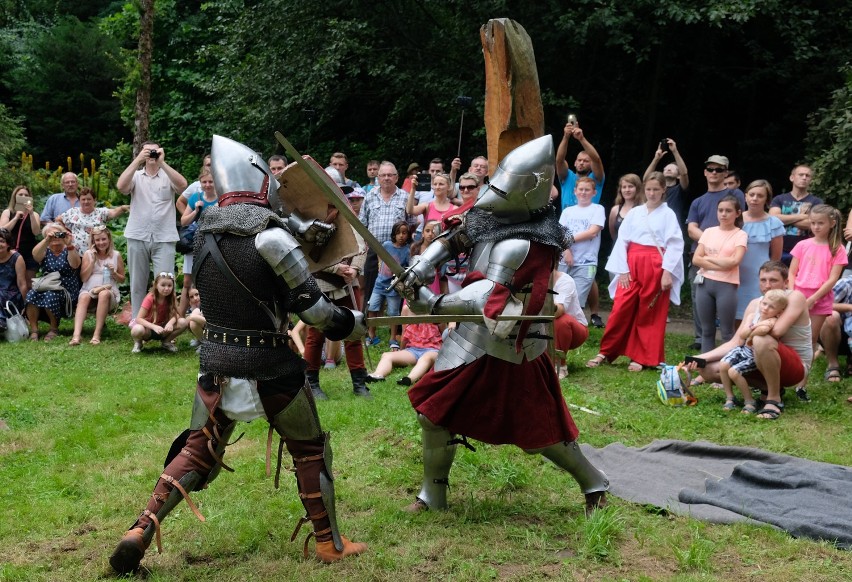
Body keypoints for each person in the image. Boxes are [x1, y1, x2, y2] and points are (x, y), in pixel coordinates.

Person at [108, 135, 368, 574]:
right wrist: (354, 322)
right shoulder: (270, 237)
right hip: (271, 363)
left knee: (195, 452)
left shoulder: (206, 231)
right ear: (259, 181)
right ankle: (329, 543)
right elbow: (315, 311)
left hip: (217, 361)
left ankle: (142, 526)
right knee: (309, 450)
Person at [396, 135, 609, 516]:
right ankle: (433, 496)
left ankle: (594, 482)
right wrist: (418, 269)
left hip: (512, 347)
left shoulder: (525, 242)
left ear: (527, 192)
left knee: (540, 434)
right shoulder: (493, 217)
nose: (494, 192)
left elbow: (488, 299)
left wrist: (431, 303)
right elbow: (452, 239)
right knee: (433, 414)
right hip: (473, 340)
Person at [587, 172, 684, 371]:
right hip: (631, 262)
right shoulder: (635, 212)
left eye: (656, 189)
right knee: (621, 308)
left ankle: (641, 356)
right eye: (649, 189)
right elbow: (622, 240)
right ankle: (606, 351)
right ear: (644, 190)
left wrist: (667, 272)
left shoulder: (668, 214)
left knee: (649, 311)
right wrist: (622, 269)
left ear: (664, 189)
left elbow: (675, 244)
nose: (652, 193)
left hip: (655, 264)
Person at [690, 261, 811, 421]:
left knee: (761, 339)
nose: (767, 285)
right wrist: (700, 359)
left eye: (773, 280)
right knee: (707, 370)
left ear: (786, 282)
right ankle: (767, 387)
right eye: (763, 280)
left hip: (794, 368)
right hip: (759, 360)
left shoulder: (795, 297)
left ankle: (774, 399)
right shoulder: (756, 304)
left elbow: (776, 331)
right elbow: (735, 342)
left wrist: (750, 329)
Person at [116, 141, 188, 320]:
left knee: (165, 284)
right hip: (137, 235)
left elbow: (182, 186)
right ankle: (137, 325)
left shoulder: (167, 175)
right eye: (148, 151)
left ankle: (164, 327)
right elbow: (121, 187)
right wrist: (138, 160)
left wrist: (162, 162)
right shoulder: (136, 176)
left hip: (164, 237)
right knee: (137, 284)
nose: (152, 155)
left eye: (154, 151)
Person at [304, 209, 370, 400]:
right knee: (315, 335)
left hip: (348, 280)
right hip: (320, 283)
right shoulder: (310, 214)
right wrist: (335, 268)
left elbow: (361, 245)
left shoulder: (349, 216)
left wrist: (355, 269)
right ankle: (312, 384)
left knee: (354, 330)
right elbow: (307, 252)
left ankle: (359, 384)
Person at [685, 154, 745, 349]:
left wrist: (712, 250)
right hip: (704, 267)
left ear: (726, 173)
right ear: (704, 172)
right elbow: (691, 228)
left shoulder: (735, 195)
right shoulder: (698, 201)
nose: (713, 173)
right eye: (710, 169)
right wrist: (711, 239)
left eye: (719, 170)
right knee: (702, 312)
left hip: (726, 272)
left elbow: (733, 261)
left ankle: (724, 367)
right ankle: (700, 347)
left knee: (726, 329)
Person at [788, 204, 847, 400]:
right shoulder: (802, 245)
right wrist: (792, 294)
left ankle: (801, 385)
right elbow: (792, 272)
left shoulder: (837, 249)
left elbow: (832, 279)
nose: (816, 227)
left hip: (819, 301)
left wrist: (813, 298)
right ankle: (779, 379)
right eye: (813, 223)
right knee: (788, 337)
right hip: (798, 296)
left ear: (832, 223)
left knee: (809, 341)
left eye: (820, 223)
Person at [692, 195, 748, 352]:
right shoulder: (709, 232)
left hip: (726, 285)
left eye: (728, 211)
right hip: (704, 283)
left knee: (727, 332)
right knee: (707, 330)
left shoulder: (740, 234)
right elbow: (696, 259)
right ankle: (705, 369)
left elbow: (734, 262)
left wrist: (708, 259)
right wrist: (721, 262)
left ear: (737, 213)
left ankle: (725, 367)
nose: (723, 214)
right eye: (720, 210)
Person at [719, 289, 788, 413]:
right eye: (764, 303)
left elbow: (763, 331)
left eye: (771, 307)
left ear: (779, 312)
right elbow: (743, 334)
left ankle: (749, 401)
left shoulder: (773, 320)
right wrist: (755, 329)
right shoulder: (753, 316)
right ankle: (730, 397)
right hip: (743, 349)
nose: (766, 308)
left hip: (754, 355)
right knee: (723, 365)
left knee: (734, 372)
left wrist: (752, 330)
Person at [358, 161, 409, 312]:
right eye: (383, 175)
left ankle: (397, 331)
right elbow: (361, 223)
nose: (386, 178)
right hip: (374, 250)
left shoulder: (405, 197)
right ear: (378, 178)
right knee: (370, 289)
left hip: (398, 251)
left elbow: (412, 222)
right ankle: (369, 329)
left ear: (396, 178)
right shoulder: (369, 196)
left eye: (390, 175)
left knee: (399, 289)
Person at [735, 180, 785, 323]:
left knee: (759, 314)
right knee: (735, 315)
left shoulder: (773, 223)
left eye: (760, 195)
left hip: (760, 276)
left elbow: (776, 257)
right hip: (736, 274)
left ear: (766, 199)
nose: (755, 198)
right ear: (745, 196)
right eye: (752, 194)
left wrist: (768, 277)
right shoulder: (735, 219)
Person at [558, 177, 605, 325]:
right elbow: (560, 233)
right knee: (560, 295)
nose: (583, 193)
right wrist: (566, 251)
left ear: (594, 192)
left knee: (577, 298)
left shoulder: (598, 209)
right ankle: (560, 327)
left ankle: (574, 328)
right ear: (575, 191)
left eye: (587, 190)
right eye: (581, 189)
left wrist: (567, 241)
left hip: (586, 262)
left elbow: (592, 232)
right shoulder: (567, 211)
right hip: (564, 260)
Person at [69, 226, 125, 346]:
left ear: (109, 239)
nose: (101, 243)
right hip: (89, 290)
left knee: (104, 294)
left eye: (103, 239)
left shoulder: (116, 255)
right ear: (93, 242)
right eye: (97, 240)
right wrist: (92, 262)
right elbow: (83, 278)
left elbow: (122, 279)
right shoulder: (88, 254)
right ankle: (76, 336)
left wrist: (114, 273)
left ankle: (96, 334)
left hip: (109, 293)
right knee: (84, 297)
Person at [25, 224, 82, 341]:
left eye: (58, 234)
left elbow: (75, 264)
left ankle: (54, 328)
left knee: (50, 295)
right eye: (52, 235)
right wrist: (47, 240)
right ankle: (34, 330)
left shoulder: (69, 249)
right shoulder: (45, 251)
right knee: (31, 294)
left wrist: (69, 244)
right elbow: (35, 255)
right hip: (48, 285)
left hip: (67, 289)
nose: (55, 237)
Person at [365, 302, 442, 386]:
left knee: (425, 358)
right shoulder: (406, 309)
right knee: (387, 355)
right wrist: (401, 351)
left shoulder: (436, 309)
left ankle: (409, 379)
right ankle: (377, 375)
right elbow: (404, 335)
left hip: (433, 350)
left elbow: (444, 334)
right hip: (413, 350)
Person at [178, 168, 218, 315]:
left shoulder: (221, 199)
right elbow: (183, 221)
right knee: (187, 282)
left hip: (213, 244)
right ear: (200, 183)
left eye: (210, 182)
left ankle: (210, 314)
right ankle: (180, 317)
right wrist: (195, 211)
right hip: (195, 244)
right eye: (204, 182)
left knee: (211, 279)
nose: (207, 185)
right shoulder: (196, 197)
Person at [366, 220, 410, 348]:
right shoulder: (387, 245)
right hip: (379, 284)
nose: (401, 236)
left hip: (394, 287)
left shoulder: (407, 251)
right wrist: (380, 264)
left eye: (404, 233)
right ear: (394, 234)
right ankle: (371, 335)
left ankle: (392, 339)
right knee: (372, 308)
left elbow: (407, 267)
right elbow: (380, 253)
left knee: (393, 312)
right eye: (398, 233)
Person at [770, 164, 822, 265]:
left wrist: (784, 220)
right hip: (780, 250)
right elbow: (773, 219)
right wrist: (803, 216)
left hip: (807, 251)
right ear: (792, 177)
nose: (804, 178)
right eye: (801, 174)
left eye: (807, 176)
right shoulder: (779, 199)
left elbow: (813, 225)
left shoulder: (817, 202)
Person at [56, 187, 129, 253]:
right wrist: (66, 233)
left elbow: (114, 212)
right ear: (79, 201)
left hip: (98, 253)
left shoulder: (101, 212)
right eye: (83, 199)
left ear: (94, 200)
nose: (86, 201)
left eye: (89, 199)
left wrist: (122, 208)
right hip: (76, 253)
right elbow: (58, 219)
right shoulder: (72, 212)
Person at [129, 272, 188, 353]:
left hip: (164, 328)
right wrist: (153, 327)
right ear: (156, 285)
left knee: (183, 322)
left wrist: (170, 323)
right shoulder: (150, 298)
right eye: (163, 285)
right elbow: (139, 319)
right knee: (137, 329)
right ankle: (138, 343)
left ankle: (166, 342)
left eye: (169, 286)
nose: (166, 288)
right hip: (148, 329)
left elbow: (177, 314)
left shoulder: (172, 297)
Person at [555, 121, 605, 209]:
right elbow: (559, 160)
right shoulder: (567, 176)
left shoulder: (596, 178)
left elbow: (596, 160)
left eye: (586, 161)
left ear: (591, 165)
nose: (581, 163)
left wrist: (581, 138)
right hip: (567, 222)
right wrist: (566, 137)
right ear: (575, 162)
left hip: (590, 222)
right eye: (579, 160)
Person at [1, 185, 41, 288]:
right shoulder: (8, 212)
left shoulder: (34, 214)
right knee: (10, 282)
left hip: (29, 253)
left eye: (26, 195)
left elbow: (36, 232)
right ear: (15, 197)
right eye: (20, 195)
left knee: (28, 284)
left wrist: (31, 213)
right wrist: (16, 218)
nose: (23, 196)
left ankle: (26, 303)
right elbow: (2, 231)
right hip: (10, 252)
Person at [643, 138, 689, 227]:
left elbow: (684, 173)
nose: (668, 169)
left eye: (672, 168)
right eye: (666, 168)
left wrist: (675, 151)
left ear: (678, 176)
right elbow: (646, 180)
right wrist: (656, 159)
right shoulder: (655, 189)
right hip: (653, 225)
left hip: (671, 227)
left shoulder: (680, 190)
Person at [552, 269, 589, 379]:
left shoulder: (565, 281)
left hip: (575, 331)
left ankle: (560, 366)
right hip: (543, 327)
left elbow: (559, 310)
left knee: (561, 320)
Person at [819, 276, 852, 383]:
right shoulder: (846, 283)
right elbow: (822, 305)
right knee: (831, 316)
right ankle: (833, 364)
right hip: (838, 335)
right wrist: (849, 307)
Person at [0, 227, 27, 331]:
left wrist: (26, 304)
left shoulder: (16, 257)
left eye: (2, 241)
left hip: (12, 294)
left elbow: (22, 283)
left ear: (8, 244)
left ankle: (1, 321)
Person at [608, 174, 644, 241]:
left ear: (638, 188)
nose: (627, 190)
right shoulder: (615, 210)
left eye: (630, 186)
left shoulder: (644, 209)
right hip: (618, 248)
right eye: (624, 187)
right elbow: (613, 233)